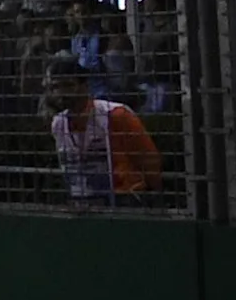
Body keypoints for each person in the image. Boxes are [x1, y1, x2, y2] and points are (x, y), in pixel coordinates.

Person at [44, 63, 161, 206]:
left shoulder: (116, 115)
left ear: (84, 86)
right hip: (81, 202)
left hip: (124, 200)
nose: (61, 93)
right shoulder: (58, 124)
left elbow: (149, 160)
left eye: (68, 85)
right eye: (56, 87)